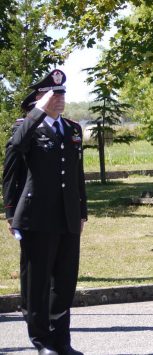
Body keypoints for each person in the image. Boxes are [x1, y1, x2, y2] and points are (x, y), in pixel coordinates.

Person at [5, 69, 87, 355]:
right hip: (36, 217)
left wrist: (82, 212)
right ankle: (41, 341)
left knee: (64, 281)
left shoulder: (72, 129)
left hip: (67, 216)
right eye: (53, 94)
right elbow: (14, 158)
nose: (60, 99)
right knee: (38, 283)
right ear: (39, 98)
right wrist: (10, 213)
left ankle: (61, 340)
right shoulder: (25, 127)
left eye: (63, 93)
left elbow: (78, 176)